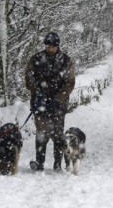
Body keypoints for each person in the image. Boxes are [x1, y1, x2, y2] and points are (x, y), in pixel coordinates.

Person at [25, 31, 76, 171]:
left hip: (58, 105)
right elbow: (29, 77)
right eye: (48, 45)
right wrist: (38, 90)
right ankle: (40, 162)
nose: (50, 48)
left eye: (53, 46)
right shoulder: (36, 58)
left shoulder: (66, 60)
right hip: (39, 103)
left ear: (57, 46)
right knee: (41, 133)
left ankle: (57, 163)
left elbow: (69, 83)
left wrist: (57, 99)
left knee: (58, 134)